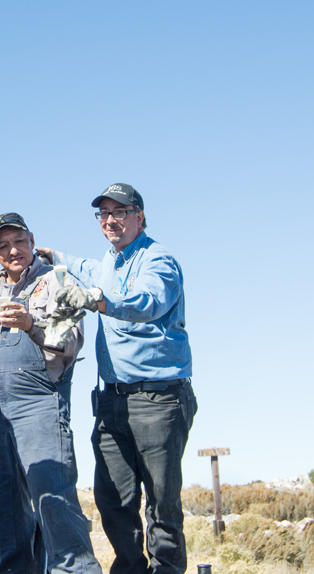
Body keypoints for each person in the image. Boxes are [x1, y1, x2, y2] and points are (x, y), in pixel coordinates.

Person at [38, 183, 197, 574]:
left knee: (162, 501)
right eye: (104, 214)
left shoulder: (159, 261)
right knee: (112, 498)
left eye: (120, 212)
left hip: (158, 400)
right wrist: (48, 253)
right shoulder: (108, 263)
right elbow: (83, 267)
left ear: (139, 217)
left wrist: (96, 300)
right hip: (112, 402)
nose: (110, 220)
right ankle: (129, 568)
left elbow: (147, 302)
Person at [0, 213, 101, 574]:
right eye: (3, 245)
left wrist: (31, 325)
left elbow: (68, 345)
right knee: (2, 509)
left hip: (39, 408)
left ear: (32, 240)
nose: (13, 251)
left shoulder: (56, 281)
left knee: (54, 504)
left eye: (19, 241)